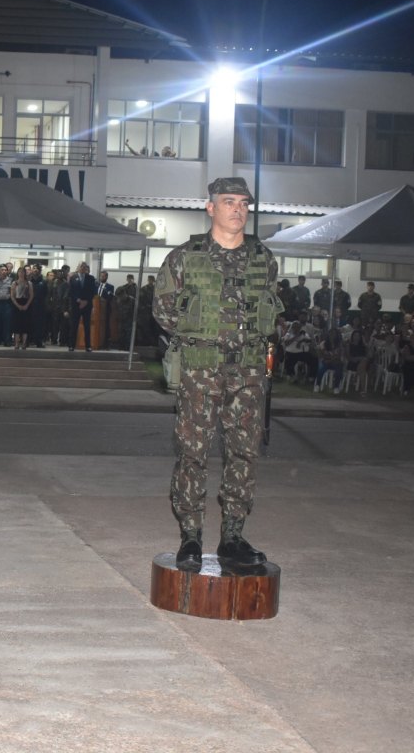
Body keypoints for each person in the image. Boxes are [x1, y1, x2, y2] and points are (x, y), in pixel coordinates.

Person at [154, 176, 280, 572]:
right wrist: (201, 338)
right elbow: (163, 309)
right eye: (229, 202)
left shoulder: (264, 258)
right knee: (192, 453)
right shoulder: (184, 257)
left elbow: (272, 309)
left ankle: (233, 536)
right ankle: (191, 537)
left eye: (244, 203)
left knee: (243, 453)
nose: (238, 209)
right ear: (211, 208)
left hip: (249, 371)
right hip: (201, 370)